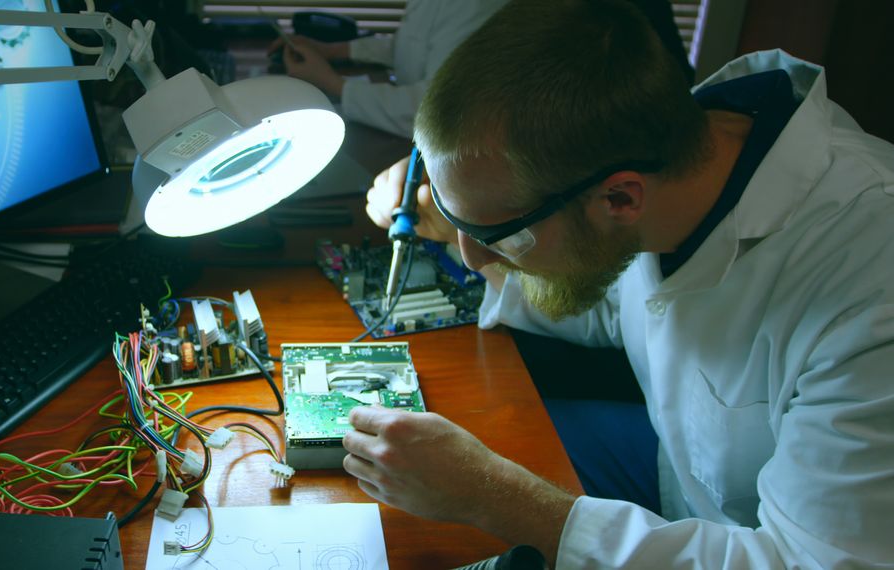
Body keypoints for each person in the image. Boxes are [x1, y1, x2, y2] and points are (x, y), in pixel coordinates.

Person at [352, 0, 894, 567]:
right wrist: (447, 212)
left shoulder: (867, 288)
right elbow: (616, 301)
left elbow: (806, 562)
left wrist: (493, 495)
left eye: (496, 235)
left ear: (619, 198)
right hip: (674, 469)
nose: (472, 257)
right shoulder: (660, 161)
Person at [271, 0, 509, 138]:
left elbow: (433, 110)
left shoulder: (477, 6)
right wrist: (334, 50)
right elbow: (417, 43)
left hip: (453, 148)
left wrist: (332, 83)